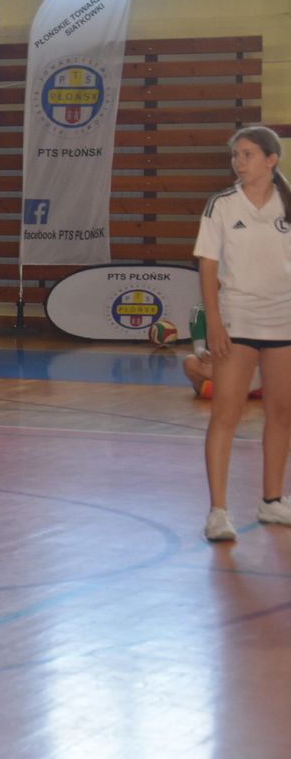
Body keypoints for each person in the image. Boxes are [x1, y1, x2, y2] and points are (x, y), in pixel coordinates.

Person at [194, 126, 291, 542]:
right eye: (235, 155)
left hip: (284, 321)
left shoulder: (287, 204)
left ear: (272, 159)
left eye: (247, 154)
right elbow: (208, 267)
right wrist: (213, 322)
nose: (238, 162)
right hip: (237, 322)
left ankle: (272, 501)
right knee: (225, 414)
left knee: (282, 414)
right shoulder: (221, 204)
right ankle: (218, 512)